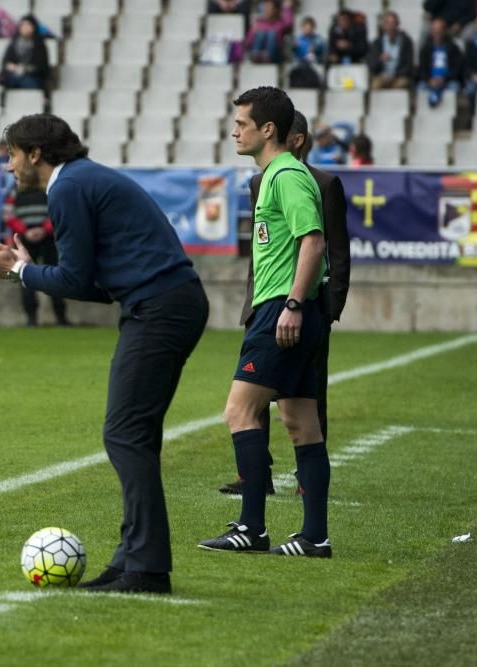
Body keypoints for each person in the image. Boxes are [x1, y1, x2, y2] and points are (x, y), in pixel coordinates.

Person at [0, 114, 209, 593]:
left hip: (160, 308)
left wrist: (18, 272)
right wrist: (31, 270)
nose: (9, 164)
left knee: (125, 434)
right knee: (133, 435)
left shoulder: (67, 187)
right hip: (166, 303)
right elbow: (100, 285)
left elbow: (75, 280)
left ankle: (147, 569)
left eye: (12, 153)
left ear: (35, 153)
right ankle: (131, 559)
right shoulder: (83, 178)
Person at [199, 87, 332, 559]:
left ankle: (252, 528)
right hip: (290, 310)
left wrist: (293, 305)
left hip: (283, 310)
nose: (235, 130)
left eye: (242, 122)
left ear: (268, 129)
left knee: (240, 411)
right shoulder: (277, 175)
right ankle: (315, 536)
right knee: (300, 424)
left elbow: (313, 242)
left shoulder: (286, 175)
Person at [218, 110, 351, 498]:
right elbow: (265, 249)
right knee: (268, 405)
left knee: (289, 404)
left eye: (243, 124)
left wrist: (326, 306)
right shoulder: (260, 180)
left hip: (296, 304)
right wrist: (252, 301)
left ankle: (265, 514)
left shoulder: (313, 181)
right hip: (267, 304)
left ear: (295, 139)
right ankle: (257, 483)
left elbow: (328, 247)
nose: (235, 131)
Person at [1, 183, 70, 327]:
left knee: (55, 276)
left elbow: (58, 210)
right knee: (25, 277)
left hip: (47, 238)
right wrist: (25, 231)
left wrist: (44, 229)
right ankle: (32, 319)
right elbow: (7, 214)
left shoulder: (48, 188)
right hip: (24, 240)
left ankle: (60, 318)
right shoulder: (15, 190)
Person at [417, 17, 464, 108]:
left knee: (454, 87)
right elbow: (422, 69)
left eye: (439, 30)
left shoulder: (453, 48)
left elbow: (457, 68)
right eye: (435, 30)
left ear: (444, 31)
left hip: (448, 81)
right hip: (430, 81)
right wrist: (429, 80)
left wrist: (444, 79)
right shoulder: (425, 49)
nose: (437, 33)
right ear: (431, 32)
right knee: (421, 87)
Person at [0, 15, 50, 90]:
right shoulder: (14, 43)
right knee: (10, 78)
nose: (24, 27)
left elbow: (41, 67)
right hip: (14, 75)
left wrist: (24, 69)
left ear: (33, 27)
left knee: (28, 83)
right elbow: (5, 61)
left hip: (33, 77)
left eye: (28, 25)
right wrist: (13, 67)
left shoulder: (39, 45)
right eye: (22, 25)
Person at [368, 11, 415, 90]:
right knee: (375, 85)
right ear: (384, 26)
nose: (391, 26)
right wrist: (380, 60)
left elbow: (409, 65)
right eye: (388, 23)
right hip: (382, 77)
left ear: (397, 24)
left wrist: (395, 75)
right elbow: (372, 66)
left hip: (399, 77)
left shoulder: (406, 42)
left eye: (393, 23)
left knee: (401, 84)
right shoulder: (377, 43)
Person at [244, 0, 293, 64]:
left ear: (275, 10)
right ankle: (255, 56)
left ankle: (267, 56)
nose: (266, 9)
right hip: (257, 53)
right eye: (265, 7)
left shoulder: (280, 23)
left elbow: (288, 24)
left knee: (271, 34)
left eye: (269, 7)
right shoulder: (258, 22)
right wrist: (253, 33)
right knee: (260, 34)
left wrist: (287, 8)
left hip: (274, 54)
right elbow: (247, 43)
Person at [289, 15, 325, 88]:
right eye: (305, 27)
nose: (307, 29)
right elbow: (293, 54)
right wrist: (294, 48)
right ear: (302, 27)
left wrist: (315, 49)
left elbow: (320, 51)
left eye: (309, 27)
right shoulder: (297, 40)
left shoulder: (318, 39)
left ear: (313, 28)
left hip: (314, 64)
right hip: (300, 64)